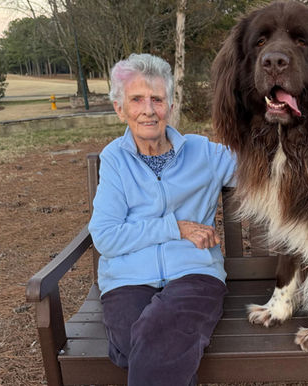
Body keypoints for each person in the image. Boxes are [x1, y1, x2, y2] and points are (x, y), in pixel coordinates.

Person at [88, 53, 236, 386]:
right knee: (151, 344)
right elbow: (106, 236)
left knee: (148, 342)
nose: (148, 109)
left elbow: (262, 170)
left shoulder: (204, 153)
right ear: (119, 108)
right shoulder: (114, 159)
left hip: (194, 274)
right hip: (127, 278)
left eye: (157, 99)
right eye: (136, 99)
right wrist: (175, 228)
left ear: (170, 105)